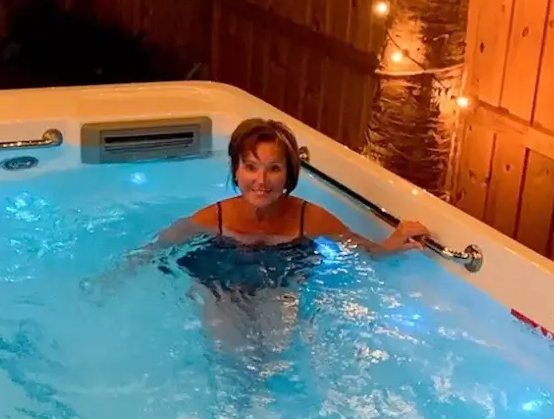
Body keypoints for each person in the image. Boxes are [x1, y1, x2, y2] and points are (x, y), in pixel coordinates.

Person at [82, 117, 430, 362]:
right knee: (234, 357)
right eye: (251, 167)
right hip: (220, 277)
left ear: (289, 174)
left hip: (278, 278)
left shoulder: (310, 218)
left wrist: (391, 244)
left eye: (273, 168)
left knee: (275, 355)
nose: (261, 180)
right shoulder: (213, 218)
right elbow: (154, 248)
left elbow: (361, 249)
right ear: (236, 170)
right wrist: (111, 278)